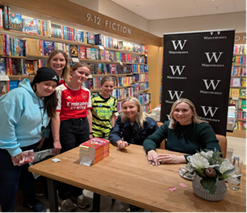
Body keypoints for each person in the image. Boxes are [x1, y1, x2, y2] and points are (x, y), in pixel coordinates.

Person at [0, 67, 59, 213]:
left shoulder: (46, 97)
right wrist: (14, 150)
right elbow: (5, 125)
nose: (50, 88)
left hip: (31, 146)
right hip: (10, 149)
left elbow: (46, 117)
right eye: (47, 84)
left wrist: (43, 134)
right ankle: (7, 211)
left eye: (53, 85)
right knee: (9, 182)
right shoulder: (16, 96)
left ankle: (30, 202)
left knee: (28, 176)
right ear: (36, 82)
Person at [51, 62, 92, 212]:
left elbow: (88, 113)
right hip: (66, 126)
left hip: (83, 126)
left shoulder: (87, 91)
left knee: (83, 159)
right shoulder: (60, 90)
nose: (83, 76)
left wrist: (90, 133)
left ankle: (78, 192)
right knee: (67, 161)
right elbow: (55, 114)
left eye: (86, 74)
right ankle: (64, 195)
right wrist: (56, 139)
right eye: (80, 72)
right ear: (72, 72)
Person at [143, 98, 222, 166]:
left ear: (193, 111)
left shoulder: (203, 128)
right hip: (169, 165)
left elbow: (215, 154)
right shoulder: (168, 125)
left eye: (185, 110)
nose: (180, 114)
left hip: (192, 166)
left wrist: (182, 158)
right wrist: (151, 151)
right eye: (177, 110)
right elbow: (150, 139)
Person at [40, 49, 71, 153]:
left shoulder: (69, 81)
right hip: (46, 119)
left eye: (61, 60)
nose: (58, 63)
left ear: (66, 63)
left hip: (64, 122)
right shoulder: (43, 78)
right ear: (50, 61)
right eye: (55, 60)